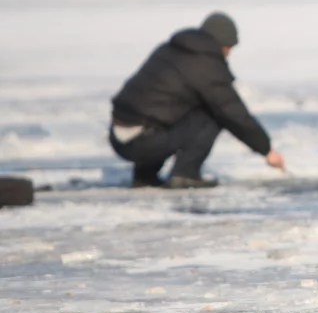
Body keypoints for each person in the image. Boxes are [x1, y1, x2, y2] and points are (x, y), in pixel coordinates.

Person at [108, 12, 286, 189]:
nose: (229, 53)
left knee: (167, 111)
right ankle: (185, 175)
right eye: (228, 47)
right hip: (142, 143)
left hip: (119, 137)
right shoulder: (205, 65)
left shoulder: (170, 50)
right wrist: (266, 149)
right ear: (220, 43)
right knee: (212, 114)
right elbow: (231, 111)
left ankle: (145, 177)